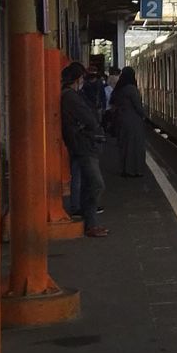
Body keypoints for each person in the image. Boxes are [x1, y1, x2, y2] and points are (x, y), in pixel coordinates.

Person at [60, 63, 108, 237]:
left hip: (79, 144)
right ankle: (90, 223)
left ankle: (89, 221)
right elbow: (89, 118)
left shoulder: (70, 95)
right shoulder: (71, 97)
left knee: (87, 182)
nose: (83, 81)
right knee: (95, 183)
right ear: (77, 79)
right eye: (81, 78)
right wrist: (94, 126)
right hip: (83, 145)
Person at [112, 66, 148, 177]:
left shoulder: (119, 89)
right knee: (135, 146)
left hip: (121, 119)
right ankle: (135, 170)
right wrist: (144, 115)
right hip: (133, 120)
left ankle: (124, 169)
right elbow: (138, 106)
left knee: (124, 145)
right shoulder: (132, 89)